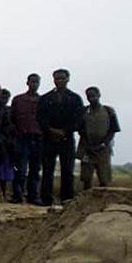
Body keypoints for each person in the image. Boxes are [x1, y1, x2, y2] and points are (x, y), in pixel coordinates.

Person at [37, 69, 84, 205]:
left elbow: (78, 119)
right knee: (47, 170)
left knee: (67, 170)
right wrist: (50, 130)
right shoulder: (46, 98)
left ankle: (67, 199)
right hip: (48, 138)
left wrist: (65, 131)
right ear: (53, 80)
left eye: (62, 78)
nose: (59, 81)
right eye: (57, 78)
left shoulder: (75, 98)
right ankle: (46, 199)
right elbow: (40, 117)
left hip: (66, 138)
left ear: (68, 79)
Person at [10, 74, 43, 205]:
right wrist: (16, 132)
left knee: (35, 169)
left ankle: (33, 196)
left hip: (38, 138)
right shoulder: (18, 100)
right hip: (22, 138)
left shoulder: (43, 101)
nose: (34, 84)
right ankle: (17, 195)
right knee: (20, 169)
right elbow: (11, 119)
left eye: (36, 82)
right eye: (32, 82)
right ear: (27, 83)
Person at [78, 87, 120, 189]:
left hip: (103, 149)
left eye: (94, 96)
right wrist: (88, 145)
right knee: (86, 177)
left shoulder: (109, 111)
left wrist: (104, 144)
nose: (91, 98)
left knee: (104, 177)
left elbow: (113, 130)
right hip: (87, 148)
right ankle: (86, 197)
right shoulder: (83, 111)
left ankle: (103, 198)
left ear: (99, 95)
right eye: (89, 97)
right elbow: (80, 130)